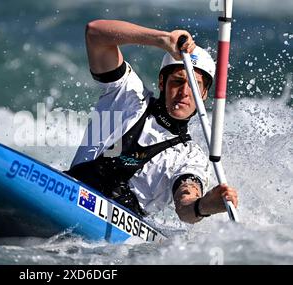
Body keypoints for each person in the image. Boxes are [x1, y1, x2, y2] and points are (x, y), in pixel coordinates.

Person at [66, 20, 238, 223]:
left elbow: (185, 206)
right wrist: (162, 40)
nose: (184, 92)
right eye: (178, 81)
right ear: (162, 82)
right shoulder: (128, 96)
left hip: (114, 237)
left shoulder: (191, 157)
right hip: (72, 192)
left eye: (194, 85)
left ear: (204, 93)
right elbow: (95, 34)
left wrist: (205, 205)